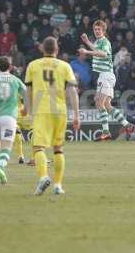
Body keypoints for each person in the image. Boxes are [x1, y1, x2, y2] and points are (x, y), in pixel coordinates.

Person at [25, 36, 80, 196]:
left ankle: (43, 177)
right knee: (58, 149)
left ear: (42, 49)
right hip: (59, 111)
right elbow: (72, 92)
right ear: (57, 50)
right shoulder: (65, 66)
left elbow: (28, 91)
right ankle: (57, 185)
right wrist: (76, 114)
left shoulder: (33, 65)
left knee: (38, 147)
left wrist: (28, 111)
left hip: (41, 110)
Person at [78, 20, 135, 141]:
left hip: (106, 75)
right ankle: (128, 125)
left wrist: (87, 51)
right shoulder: (99, 41)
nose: (97, 31)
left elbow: (103, 54)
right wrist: (87, 42)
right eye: (95, 30)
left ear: (104, 31)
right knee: (106, 105)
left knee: (99, 102)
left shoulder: (104, 41)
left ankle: (106, 132)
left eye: (99, 29)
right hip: (105, 75)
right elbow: (97, 49)